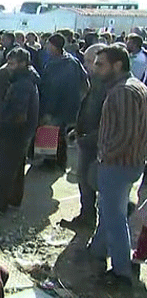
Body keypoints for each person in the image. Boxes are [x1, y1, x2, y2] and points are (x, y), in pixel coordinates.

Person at [85, 44, 147, 288]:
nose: (95, 69)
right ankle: (97, 251)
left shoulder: (123, 91)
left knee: (115, 217)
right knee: (109, 210)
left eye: (100, 64)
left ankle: (121, 273)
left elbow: (126, 135)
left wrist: (104, 156)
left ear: (117, 65)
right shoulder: (133, 87)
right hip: (128, 162)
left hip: (118, 164)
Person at [0, 48, 39, 213]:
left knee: (5, 169)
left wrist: (4, 126)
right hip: (23, 133)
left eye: (12, 64)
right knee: (17, 168)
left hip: (14, 133)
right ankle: (14, 200)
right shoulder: (26, 79)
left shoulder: (22, 84)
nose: (8, 67)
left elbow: (19, 114)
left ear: (23, 64)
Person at [60, 44, 107, 229]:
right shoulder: (93, 81)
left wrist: (86, 137)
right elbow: (88, 109)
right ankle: (86, 215)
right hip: (85, 137)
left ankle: (90, 219)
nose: (85, 64)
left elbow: (105, 119)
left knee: (91, 182)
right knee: (84, 180)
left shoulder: (105, 86)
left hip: (95, 142)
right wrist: (77, 129)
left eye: (89, 61)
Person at [39, 33, 89, 170]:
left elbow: (52, 89)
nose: (46, 47)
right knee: (60, 134)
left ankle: (49, 163)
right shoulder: (73, 61)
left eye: (48, 44)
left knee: (49, 131)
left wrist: (47, 110)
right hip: (70, 105)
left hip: (55, 105)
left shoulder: (54, 64)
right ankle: (60, 161)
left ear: (54, 46)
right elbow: (85, 82)